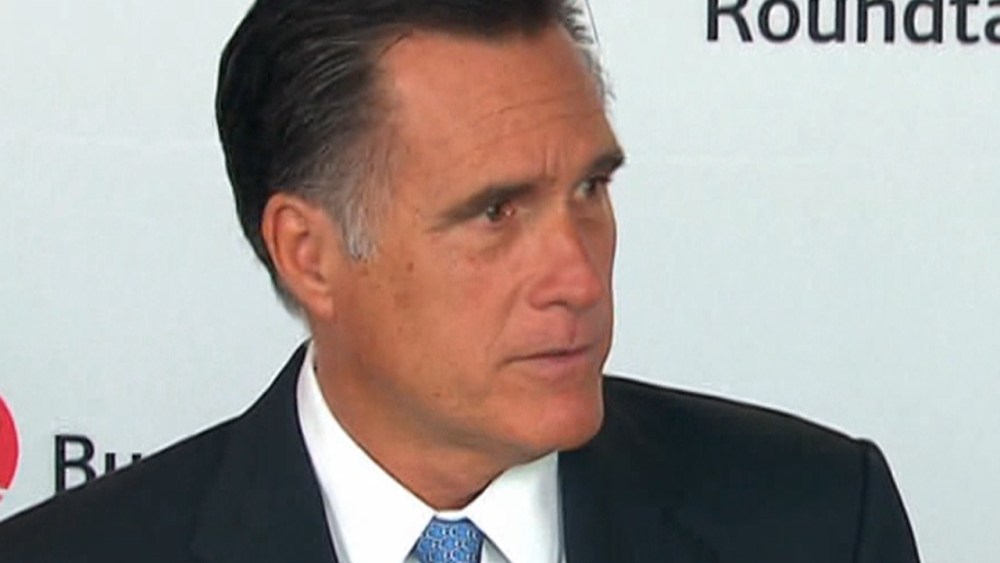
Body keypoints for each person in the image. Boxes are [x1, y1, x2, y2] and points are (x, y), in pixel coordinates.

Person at [0, 1, 920, 562]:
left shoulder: (817, 521)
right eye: (496, 212)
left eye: (590, 190)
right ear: (308, 253)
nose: (578, 276)